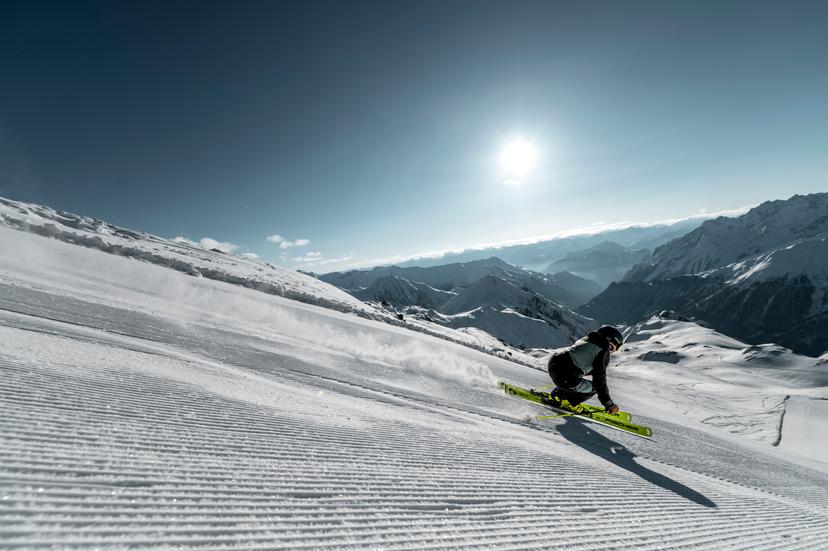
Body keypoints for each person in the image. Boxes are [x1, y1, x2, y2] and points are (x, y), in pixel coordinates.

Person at [545, 325, 624, 415]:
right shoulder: (603, 349)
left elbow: (578, 361)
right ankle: (569, 403)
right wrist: (608, 403)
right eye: (617, 346)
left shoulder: (587, 339)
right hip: (565, 375)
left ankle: (556, 396)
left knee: (573, 380)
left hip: (554, 364)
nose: (615, 350)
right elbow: (599, 380)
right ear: (612, 341)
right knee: (593, 388)